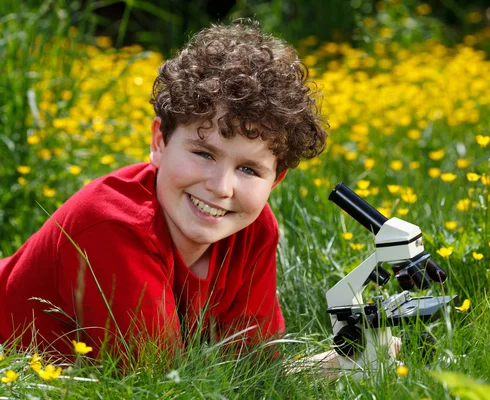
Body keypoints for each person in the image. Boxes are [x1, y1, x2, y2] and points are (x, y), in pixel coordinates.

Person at [0, 20, 327, 360]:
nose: (220, 188)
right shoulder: (113, 225)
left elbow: (253, 366)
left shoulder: (254, 230)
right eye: (204, 153)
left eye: (248, 169)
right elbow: (162, 383)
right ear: (159, 141)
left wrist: (339, 364)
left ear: (274, 181)